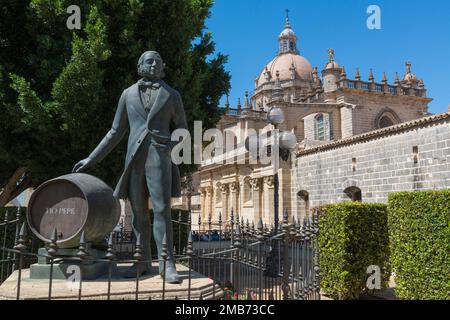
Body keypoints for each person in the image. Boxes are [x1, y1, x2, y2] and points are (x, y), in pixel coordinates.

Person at [73, 51, 187, 283]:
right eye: (149, 60)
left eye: (158, 60)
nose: (154, 63)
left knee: (163, 210)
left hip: (160, 158)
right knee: (138, 215)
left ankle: (167, 264)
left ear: (163, 66)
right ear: (140, 66)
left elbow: (182, 129)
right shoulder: (127, 94)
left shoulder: (172, 95)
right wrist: (91, 159)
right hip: (134, 160)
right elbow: (115, 132)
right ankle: (142, 263)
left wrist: (170, 149)